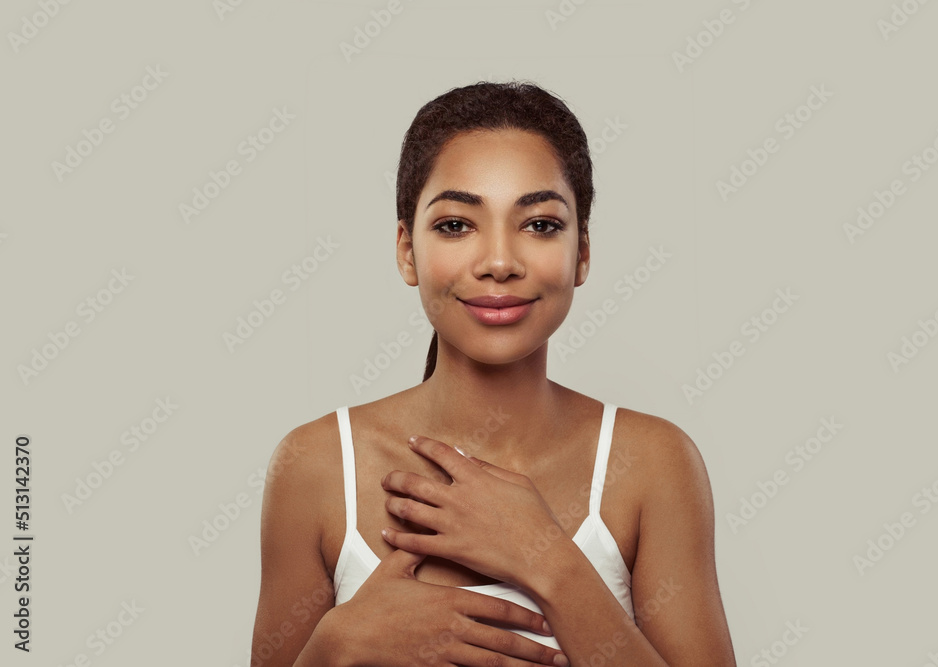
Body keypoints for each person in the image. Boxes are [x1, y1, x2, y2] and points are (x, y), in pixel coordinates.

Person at [251, 80, 737, 667]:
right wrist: (334, 647)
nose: (500, 262)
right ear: (407, 249)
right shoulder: (314, 465)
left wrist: (547, 560)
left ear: (582, 252)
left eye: (540, 224)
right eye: (456, 224)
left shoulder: (656, 464)